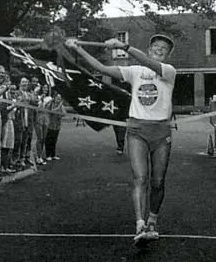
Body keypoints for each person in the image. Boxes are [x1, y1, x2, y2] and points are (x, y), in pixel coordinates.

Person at [65, 33, 177, 246]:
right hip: (136, 130)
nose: (159, 49)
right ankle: (140, 224)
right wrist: (78, 49)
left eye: (164, 48)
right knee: (140, 178)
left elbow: (147, 62)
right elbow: (102, 69)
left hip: (161, 134)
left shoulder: (169, 71)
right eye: (156, 45)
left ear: (168, 53)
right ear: (150, 47)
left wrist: (124, 47)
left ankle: (153, 220)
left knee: (158, 181)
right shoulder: (134, 71)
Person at [45, 90, 66, 161]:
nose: (58, 100)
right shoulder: (51, 104)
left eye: (60, 99)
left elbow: (64, 113)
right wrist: (58, 107)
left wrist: (60, 107)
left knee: (54, 140)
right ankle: (48, 155)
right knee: (49, 140)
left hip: (57, 125)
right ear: (54, 98)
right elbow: (51, 112)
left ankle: (53, 154)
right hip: (50, 125)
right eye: (57, 98)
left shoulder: (61, 106)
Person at [34, 84, 52, 165]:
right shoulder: (38, 97)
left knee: (44, 138)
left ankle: (40, 155)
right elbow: (38, 109)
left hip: (46, 118)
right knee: (39, 138)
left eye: (47, 88)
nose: (45, 89)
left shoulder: (50, 98)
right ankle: (38, 157)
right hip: (39, 118)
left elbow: (49, 109)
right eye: (44, 88)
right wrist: (41, 99)